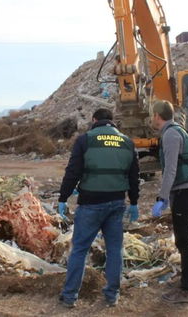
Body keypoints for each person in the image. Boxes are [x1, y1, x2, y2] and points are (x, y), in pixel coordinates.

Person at [58, 108, 140, 308]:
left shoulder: (85, 140)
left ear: (94, 120)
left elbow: (73, 171)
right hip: (116, 204)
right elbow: (134, 176)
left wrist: (63, 197)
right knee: (114, 250)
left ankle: (69, 297)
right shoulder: (127, 143)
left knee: (79, 250)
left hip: (90, 204)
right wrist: (135, 202)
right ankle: (112, 295)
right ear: (112, 122)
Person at [150, 100, 188, 304]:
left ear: (157, 115)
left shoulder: (171, 135)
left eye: (153, 115)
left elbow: (170, 169)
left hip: (185, 191)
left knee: (183, 240)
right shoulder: (177, 129)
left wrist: (162, 197)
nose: (152, 119)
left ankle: (187, 290)